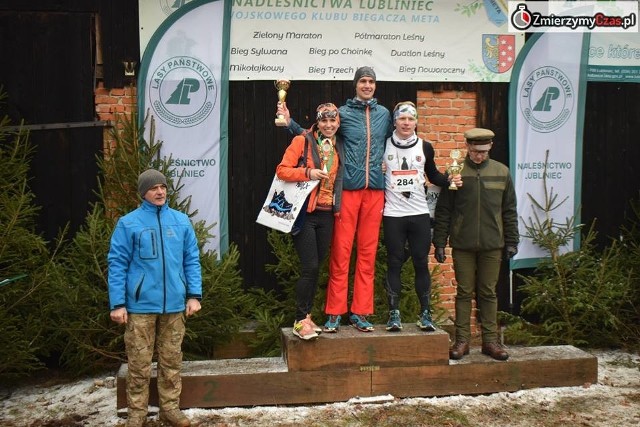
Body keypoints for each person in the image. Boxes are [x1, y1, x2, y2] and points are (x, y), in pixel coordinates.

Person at [277, 66, 392, 332]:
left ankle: (361, 312)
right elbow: (316, 136)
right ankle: (334, 312)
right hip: (348, 192)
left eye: (371, 81)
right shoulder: (343, 113)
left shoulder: (384, 114)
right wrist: (289, 123)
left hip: (375, 190)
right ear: (355, 84)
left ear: (375, 85)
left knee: (367, 254)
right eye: (362, 81)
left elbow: (395, 140)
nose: (367, 85)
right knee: (340, 254)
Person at [108, 169, 202, 427]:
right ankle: (137, 414)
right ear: (143, 193)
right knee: (138, 364)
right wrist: (118, 303)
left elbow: (191, 260)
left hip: (175, 305)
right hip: (140, 307)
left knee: (172, 360)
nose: (160, 192)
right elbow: (117, 263)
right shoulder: (128, 223)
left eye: (162, 187)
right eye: (153, 188)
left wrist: (194, 294)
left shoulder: (181, 221)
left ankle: (169, 409)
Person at [432, 128, 519, 361]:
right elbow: (444, 210)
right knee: (464, 292)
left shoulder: (501, 172)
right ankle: (462, 341)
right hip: (463, 243)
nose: (478, 155)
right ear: (467, 147)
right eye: (474, 151)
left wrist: (512, 240)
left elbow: (509, 209)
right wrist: (440, 241)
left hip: (493, 243)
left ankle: (490, 341)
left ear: (489, 147)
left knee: (488, 292)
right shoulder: (456, 171)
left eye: (482, 151)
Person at [382, 101, 461, 332]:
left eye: (410, 119)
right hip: (393, 214)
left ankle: (425, 313)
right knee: (394, 263)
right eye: (402, 119)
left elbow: (434, 175)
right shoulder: (383, 145)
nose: (406, 123)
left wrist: (450, 180)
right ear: (395, 121)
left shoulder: (425, 147)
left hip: (418, 213)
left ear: (416, 121)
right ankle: (393, 314)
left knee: (420, 263)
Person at [275, 103, 344, 340]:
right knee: (310, 267)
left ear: (338, 123)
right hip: (306, 212)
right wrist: (308, 173)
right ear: (317, 122)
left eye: (332, 121)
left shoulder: (339, 145)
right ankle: (298, 320)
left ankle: (307, 317)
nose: (328, 125)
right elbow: (282, 171)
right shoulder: (302, 141)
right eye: (324, 121)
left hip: (327, 215)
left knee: (316, 269)